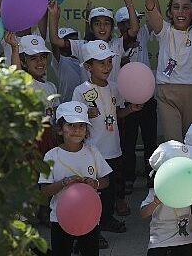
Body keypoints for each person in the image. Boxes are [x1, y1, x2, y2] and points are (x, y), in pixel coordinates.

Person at [71, 40, 143, 244]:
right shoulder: (80, 91)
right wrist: (85, 114)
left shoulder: (115, 87)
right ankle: (92, 228)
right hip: (92, 151)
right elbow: (74, 123)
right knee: (94, 191)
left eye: (109, 61)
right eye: (101, 63)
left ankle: (106, 219)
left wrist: (130, 110)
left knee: (110, 189)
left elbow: (117, 112)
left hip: (113, 148)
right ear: (88, 66)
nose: (107, 67)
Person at [38, 101, 112, 256]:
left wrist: (95, 183)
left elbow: (106, 180)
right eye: (71, 125)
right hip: (60, 219)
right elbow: (44, 191)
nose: (77, 130)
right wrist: (64, 182)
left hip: (89, 217)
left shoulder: (93, 152)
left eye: (81, 126)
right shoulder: (52, 156)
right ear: (59, 129)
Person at [140, 0, 192, 142]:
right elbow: (153, 15)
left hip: (191, 91)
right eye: (176, 8)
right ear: (170, 12)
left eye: (186, 8)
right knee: (173, 141)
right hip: (166, 93)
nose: (181, 12)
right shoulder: (165, 31)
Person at [48, 0, 139, 84]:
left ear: (112, 28)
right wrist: (53, 15)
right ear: (91, 28)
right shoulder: (81, 46)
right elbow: (55, 40)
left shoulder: (118, 44)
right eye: (97, 24)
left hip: (114, 97)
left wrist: (129, 2)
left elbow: (134, 29)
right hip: (88, 97)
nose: (102, 27)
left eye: (106, 23)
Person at [114, 6, 159, 194]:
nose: (135, 23)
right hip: (126, 100)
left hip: (148, 96)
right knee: (128, 143)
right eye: (130, 21)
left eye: (137, 20)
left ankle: (152, 176)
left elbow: (151, 19)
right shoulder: (116, 44)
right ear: (120, 25)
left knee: (150, 140)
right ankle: (128, 178)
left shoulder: (141, 34)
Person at [140, 140, 192, 256]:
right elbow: (143, 213)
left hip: (187, 239)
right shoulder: (155, 190)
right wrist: (155, 202)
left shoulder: (190, 186)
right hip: (160, 242)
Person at [50, 27, 86, 103]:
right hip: (67, 106)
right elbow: (54, 43)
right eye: (68, 40)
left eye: (75, 39)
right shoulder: (59, 60)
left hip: (87, 105)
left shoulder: (85, 57)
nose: (72, 43)